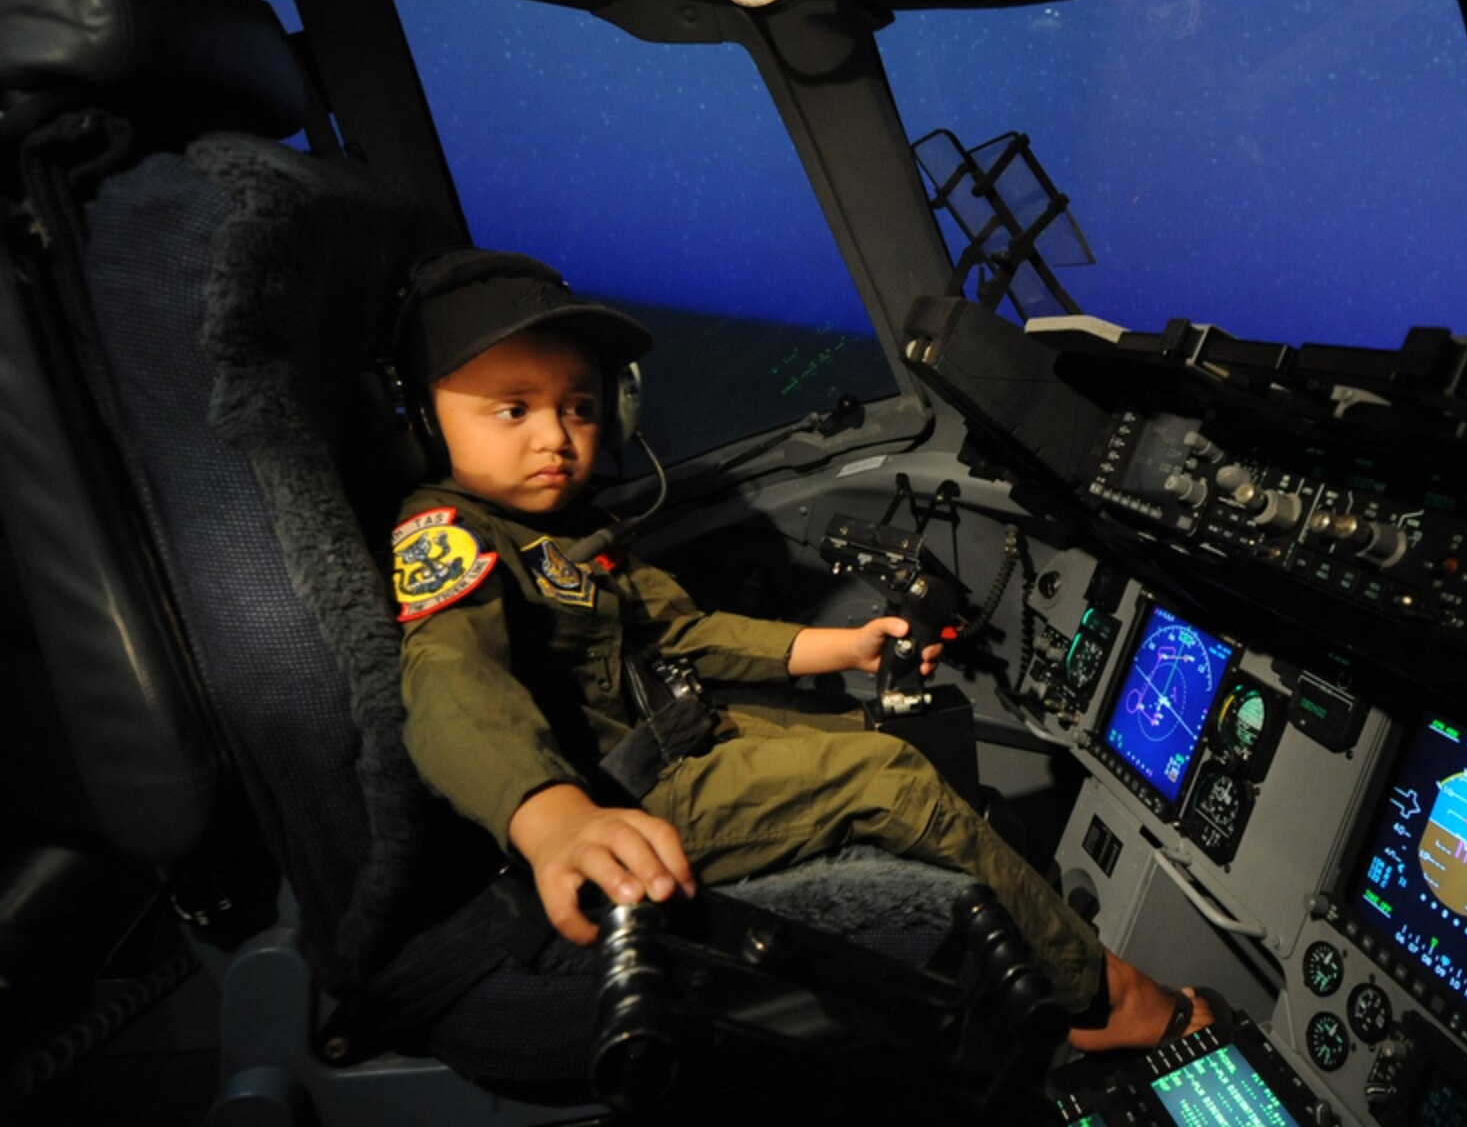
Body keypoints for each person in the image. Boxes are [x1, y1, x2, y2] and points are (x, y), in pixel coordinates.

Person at [389, 248, 1210, 1052]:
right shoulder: (448, 536)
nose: (557, 438)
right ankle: (1100, 998)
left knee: (880, 738)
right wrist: (550, 818)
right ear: (422, 422)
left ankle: (1015, 921)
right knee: (890, 780)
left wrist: (845, 647)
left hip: (670, 744)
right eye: (513, 410)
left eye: (577, 407)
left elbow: (684, 633)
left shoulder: (567, 530)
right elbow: (451, 684)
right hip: (617, 800)